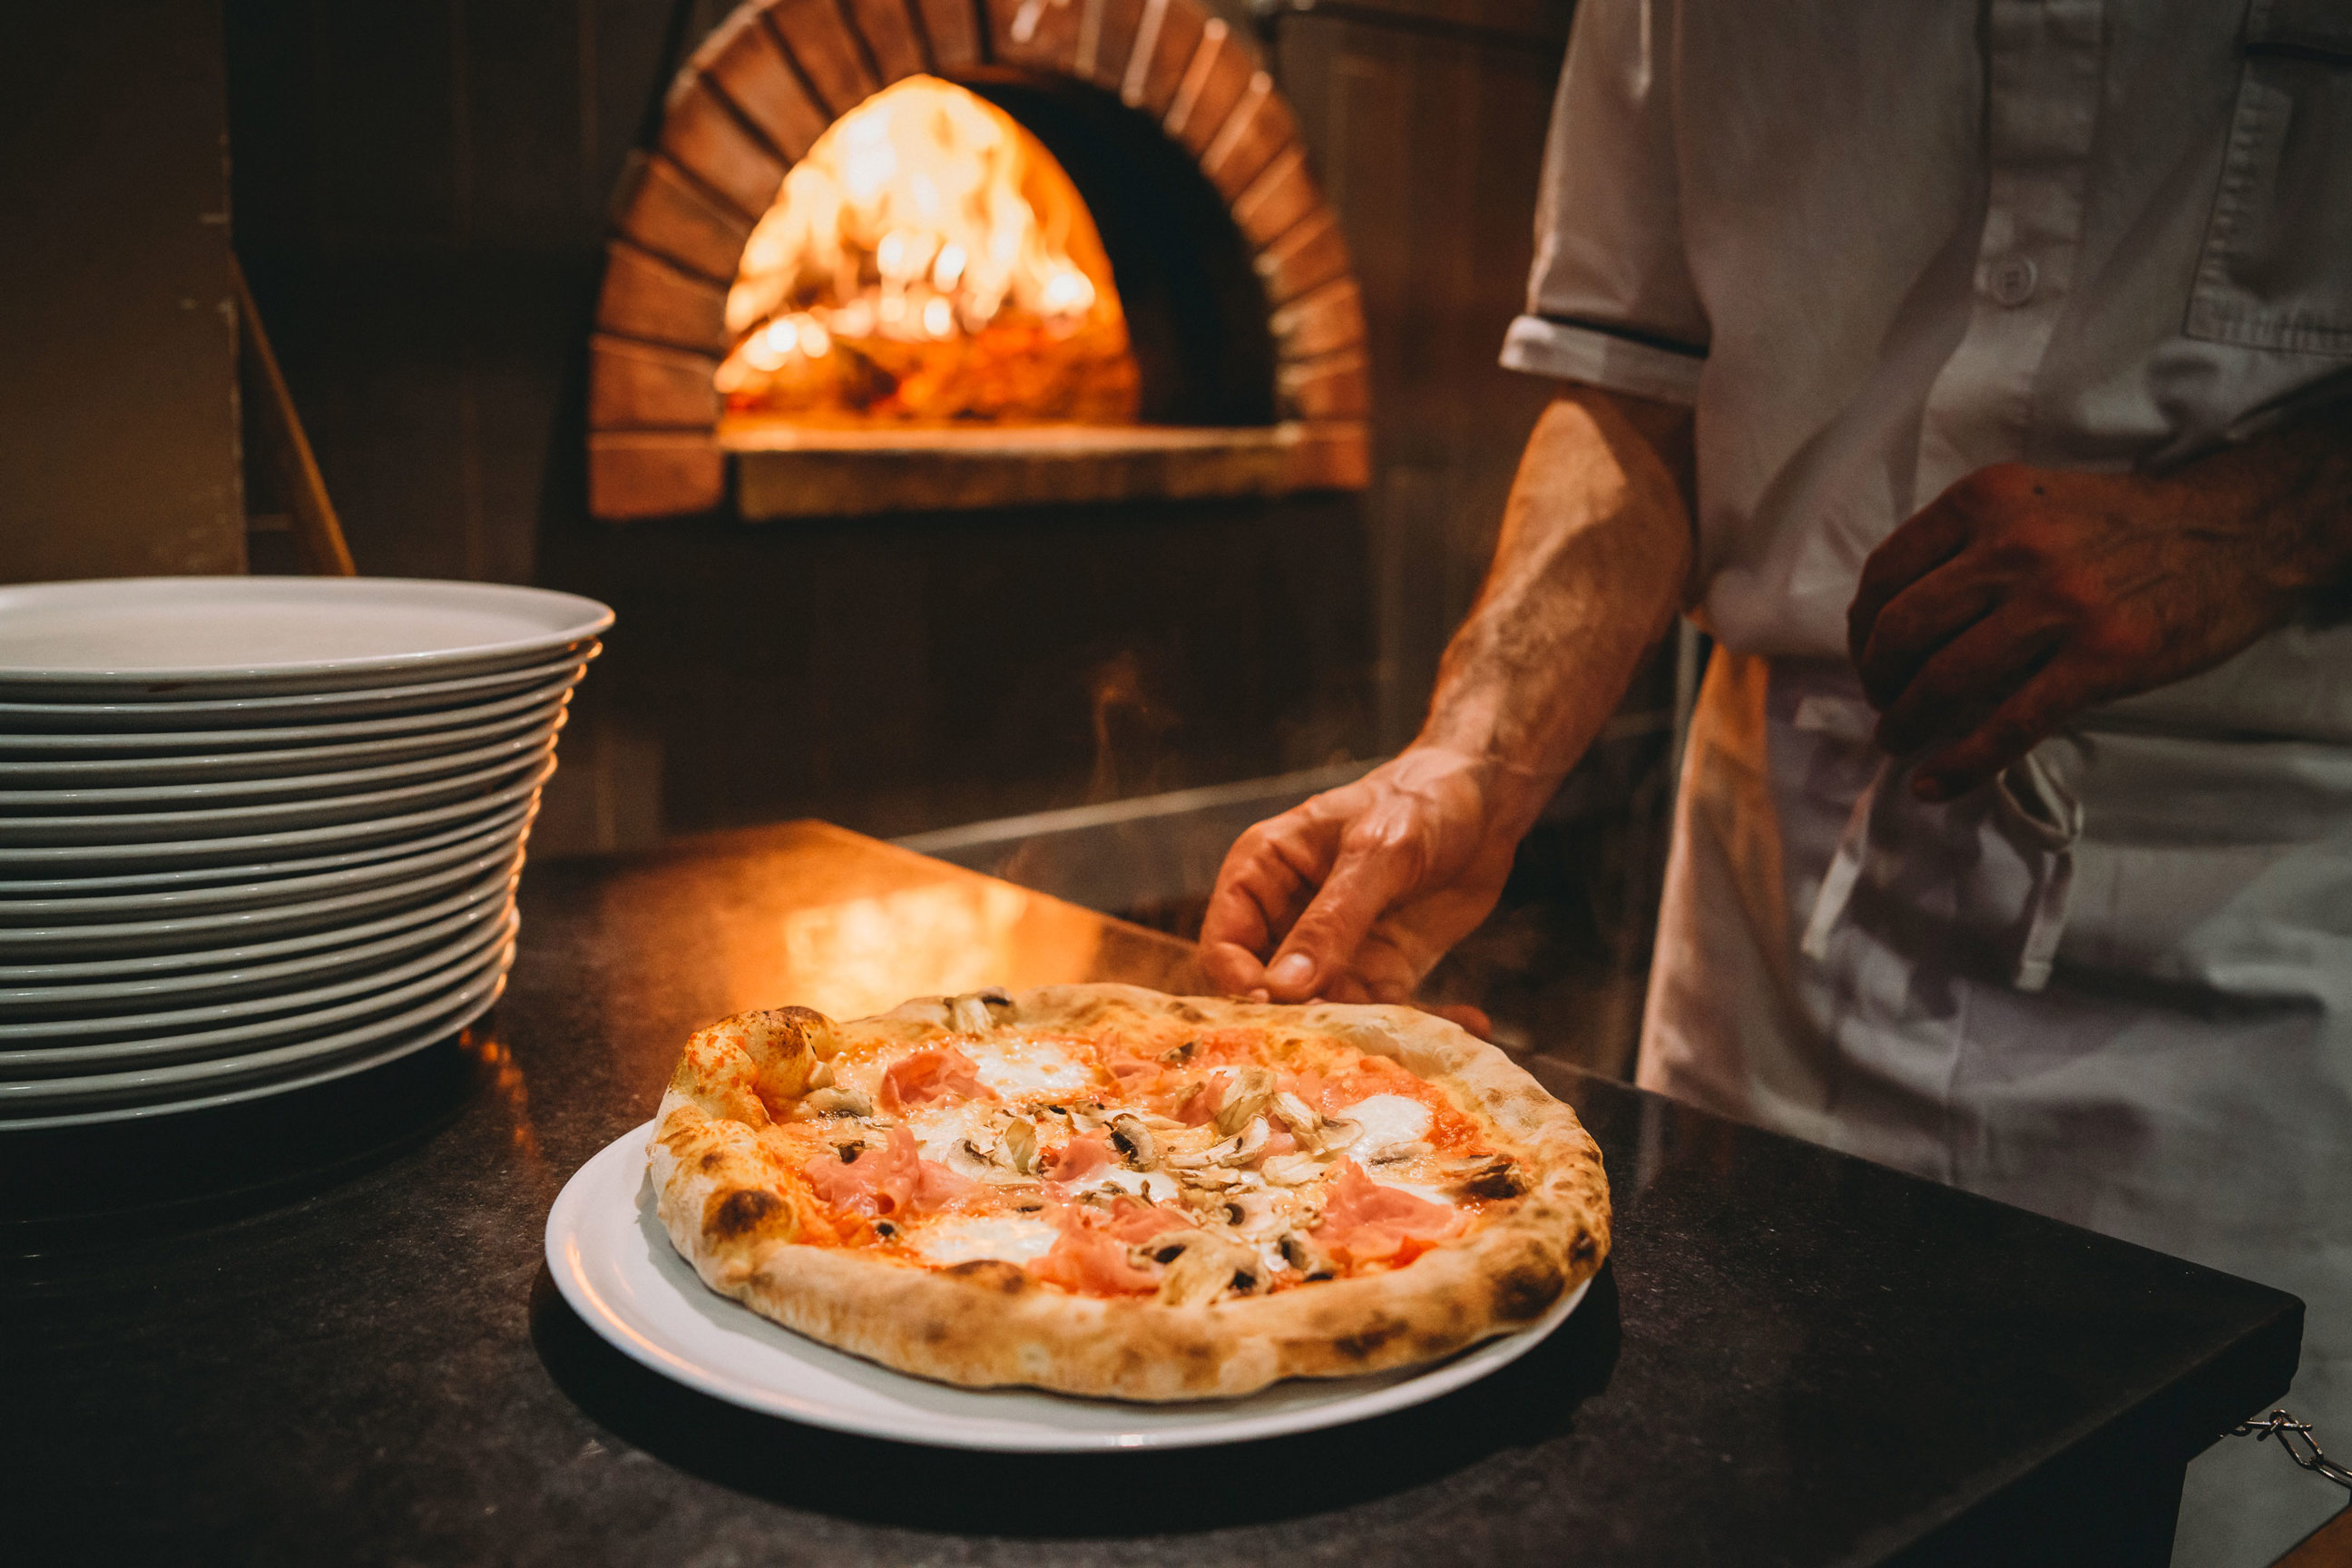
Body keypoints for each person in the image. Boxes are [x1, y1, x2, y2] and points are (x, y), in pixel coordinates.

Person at [1200, 3, 2352, 1562]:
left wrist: (2260, 519)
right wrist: (1472, 759)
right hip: (1778, 908)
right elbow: (1630, 389)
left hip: (2268, 909)